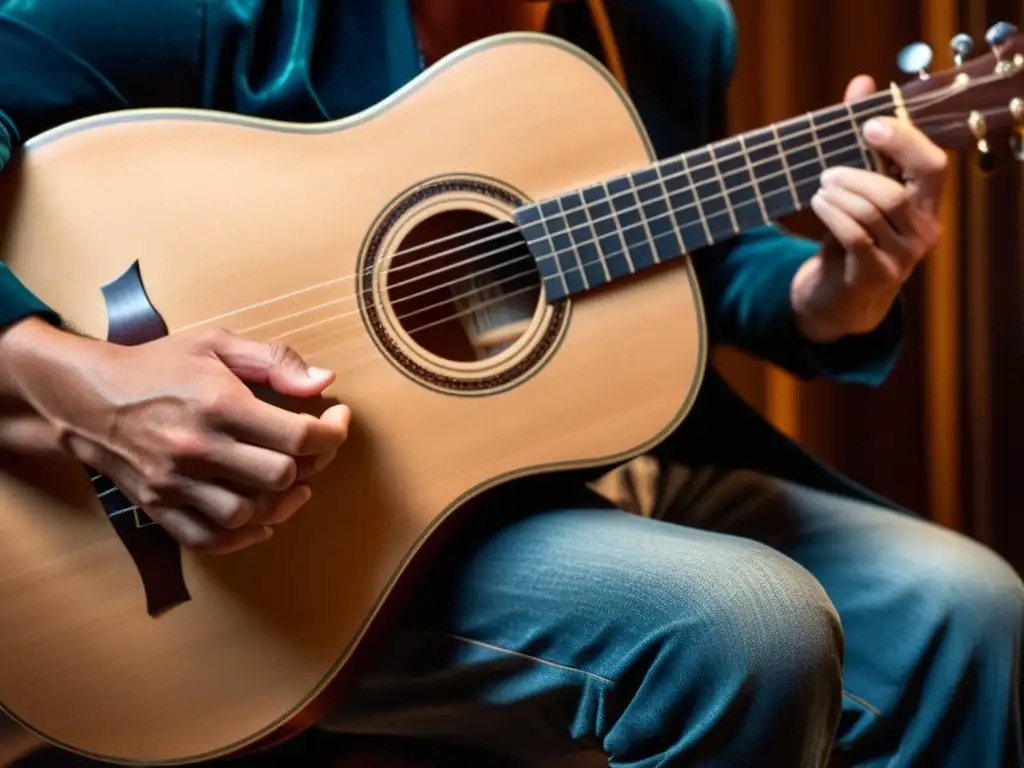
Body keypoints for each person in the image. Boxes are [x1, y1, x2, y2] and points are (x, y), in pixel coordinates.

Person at [0, 1, 1020, 766]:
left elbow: (652, 241)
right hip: (312, 543)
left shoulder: (667, 25)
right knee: (747, 622)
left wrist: (823, 295)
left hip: (571, 466)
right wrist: (84, 383)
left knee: (965, 610)